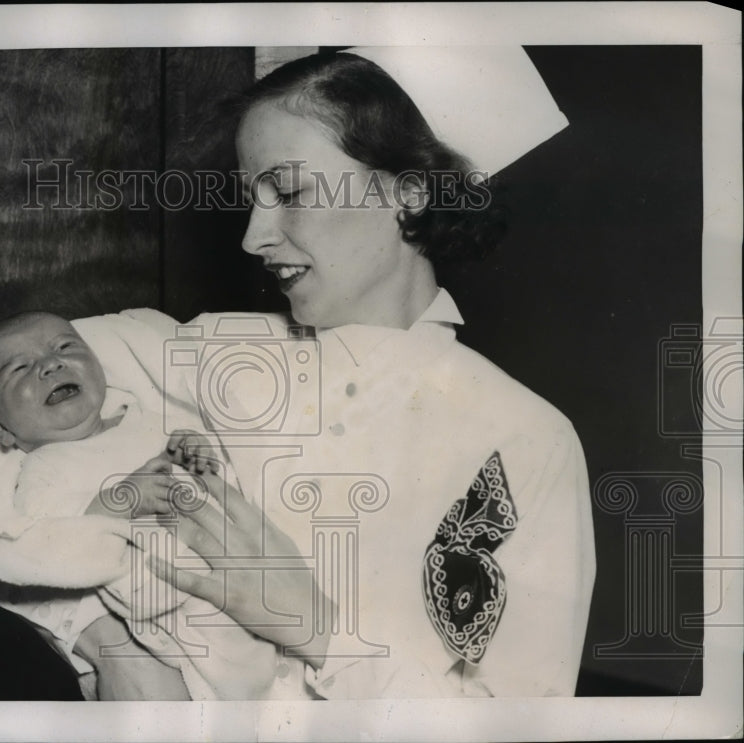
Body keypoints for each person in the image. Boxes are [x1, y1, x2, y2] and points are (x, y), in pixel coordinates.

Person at [78, 48, 597, 698]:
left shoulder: (524, 440)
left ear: (408, 192)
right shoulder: (203, 350)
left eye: (289, 192)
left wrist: (316, 626)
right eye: (251, 199)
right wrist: (108, 639)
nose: (253, 236)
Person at [0, 310, 280, 700]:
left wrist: (197, 455)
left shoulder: (144, 422)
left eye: (65, 347)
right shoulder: (44, 469)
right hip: (168, 622)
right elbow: (46, 549)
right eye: (20, 367)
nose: (50, 364)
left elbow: (223, 490)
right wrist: (119, 501)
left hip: (232, 580)